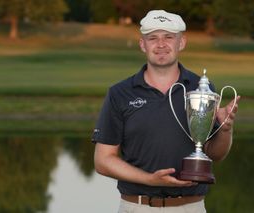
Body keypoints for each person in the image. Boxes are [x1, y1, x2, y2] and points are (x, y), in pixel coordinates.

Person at [92, 9, 240, 213]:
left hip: (190, 207)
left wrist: (225, 128)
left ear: (182, 42)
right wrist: (149, 180)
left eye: (169, 37)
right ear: (143, 44)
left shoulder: (202, 89)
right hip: (136, 206)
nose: (161, 44)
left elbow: (215, 154)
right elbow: (103, 160)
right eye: (153, 38)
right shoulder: (120, 93)